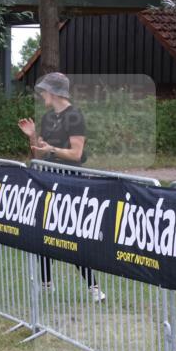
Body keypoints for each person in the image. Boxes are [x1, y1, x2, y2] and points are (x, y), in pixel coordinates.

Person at [17, 72, 105, 301]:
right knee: (43, 232)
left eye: (44, 90)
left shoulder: (74, 116)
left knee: (70, 235)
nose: (41, 94)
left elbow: (76, 154)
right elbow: (38, 151)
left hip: (70, 182)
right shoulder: (47, 118)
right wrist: (32, 135)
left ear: (54, 92)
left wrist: (52, 150)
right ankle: (46, 285)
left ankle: (94, 289)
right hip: (47, 179)